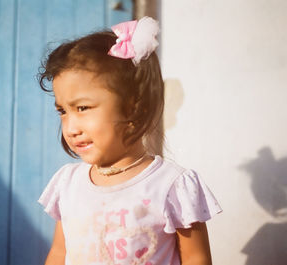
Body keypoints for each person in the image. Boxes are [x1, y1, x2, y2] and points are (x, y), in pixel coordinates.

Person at [37, 16, 222, 265]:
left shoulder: (171, 187)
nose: (70, 128)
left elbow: (196, 258)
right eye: (63, 111)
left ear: (135, 109)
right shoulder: (69, 184)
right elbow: (60, 253)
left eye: (82, 108)